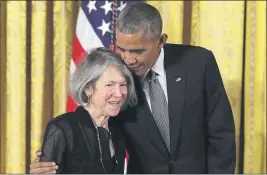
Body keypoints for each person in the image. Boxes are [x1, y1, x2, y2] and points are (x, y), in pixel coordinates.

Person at [30, 2, 236, 174]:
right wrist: (53, 155)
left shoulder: (198, 62)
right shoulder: (119, 76)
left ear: (161, 41)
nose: (128, 59)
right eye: (121, 48)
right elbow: (93, 119)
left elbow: (221, 133)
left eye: (137, 51)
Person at [30, 47, 137, 174]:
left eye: (123, 85)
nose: (119, 94)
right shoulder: (62, 129)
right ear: (88, 88)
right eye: (110, 85)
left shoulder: (118, 131)